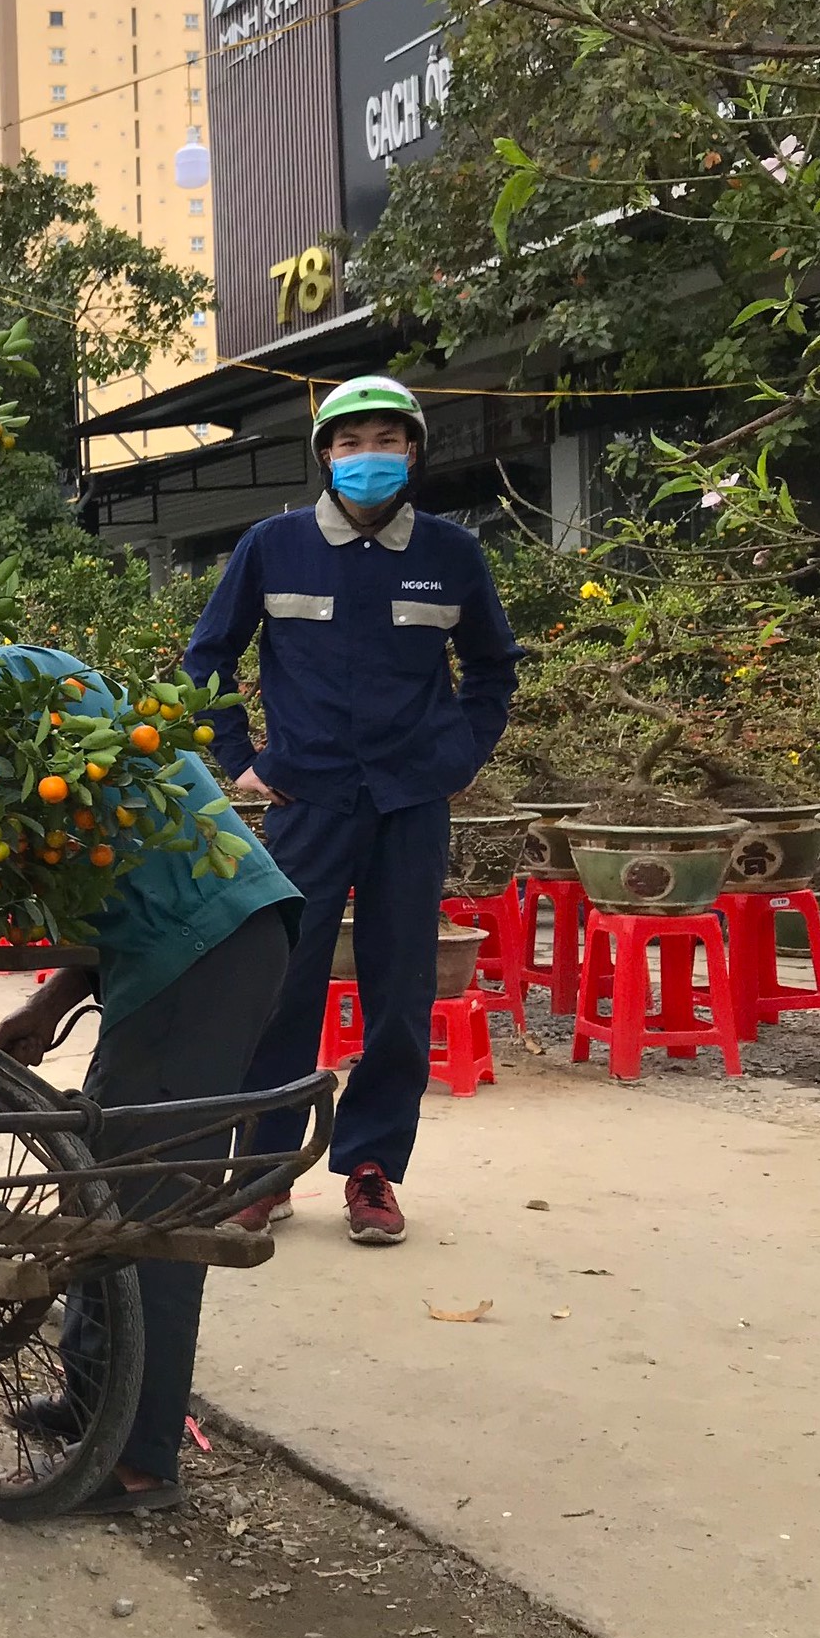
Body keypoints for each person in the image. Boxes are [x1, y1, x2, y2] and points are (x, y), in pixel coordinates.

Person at [183, 375, 520, 1246]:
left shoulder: (451, 555)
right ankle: (263, 1168)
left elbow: (492, 668)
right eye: (350, 441)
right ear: (325, 455)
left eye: (387, 439)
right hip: (310, 799)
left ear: (413, 451)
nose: (369, 455)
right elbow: (208, 656)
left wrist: (459, 756)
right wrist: (241, 759)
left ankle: (371, 1168)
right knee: (281, 987)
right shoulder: (273, 545)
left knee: (400, 990)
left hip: (411, 803)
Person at [0, 644, 302, 1512]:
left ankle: (136, 1458)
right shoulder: (39, 688)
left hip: (206, 951)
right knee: (105, 1176)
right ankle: (94, 1401)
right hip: (196, 941)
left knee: (149, 1203)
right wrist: (52, 1003)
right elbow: (118, 874)